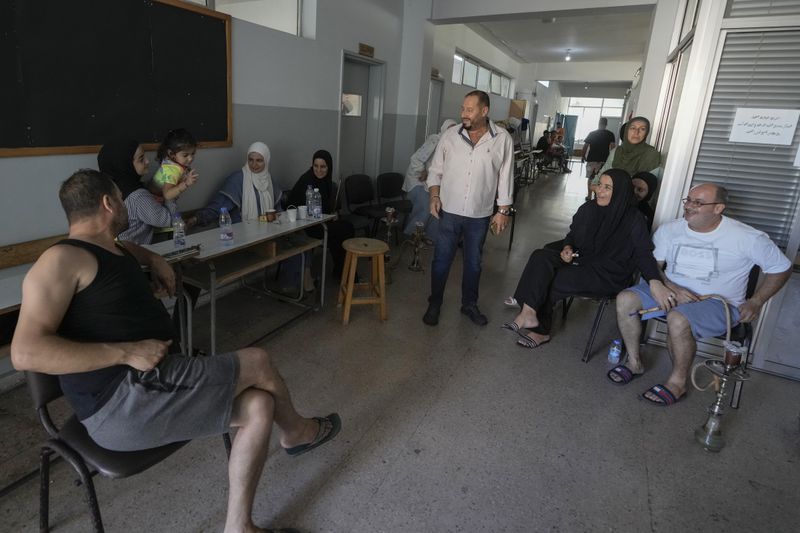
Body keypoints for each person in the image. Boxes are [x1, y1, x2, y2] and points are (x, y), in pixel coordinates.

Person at [10, 169, 341, 533]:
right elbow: (25, 353)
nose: (126, 206)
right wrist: (125, 353)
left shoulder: (113, 247)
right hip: (123, 402)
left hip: (156, 384)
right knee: (258, 361)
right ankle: (297, 432)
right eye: (121, 199)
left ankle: (238, 527)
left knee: (260, 406)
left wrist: (154, 260)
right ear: (108, 203)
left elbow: (130, 249)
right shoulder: (60, 260)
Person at [612, 183, 791, 406]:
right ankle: (634, 361)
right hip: (671, 289)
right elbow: (654, 265)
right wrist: (669, 286)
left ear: (718, 208)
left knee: (678, 319)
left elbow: (781, 267)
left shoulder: (747, 237)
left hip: (717, 302)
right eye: (688, 200)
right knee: (625, 299)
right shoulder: (671, 229)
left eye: (698, 202)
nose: (688, 206)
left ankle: (677, 383)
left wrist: (757, 301)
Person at [502, 169, 660, 348]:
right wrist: (568, 248)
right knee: (540, 256)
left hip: (609, 273)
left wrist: (654, 280)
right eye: (599, 184)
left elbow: (643, 253)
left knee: (553, 279)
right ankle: (528, 313)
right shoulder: (589, 208)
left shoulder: (634, 219)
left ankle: (541, 331)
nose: (599, 190)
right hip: (583, 260)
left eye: (607, 188)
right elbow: (573, 235)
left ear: (621, 192)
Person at [423, 90, 514, 327]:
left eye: (470, 109)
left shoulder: (502, 139)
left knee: (474, 262)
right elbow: (435, 170)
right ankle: (435, 303)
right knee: (441, 260)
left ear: (484, 111)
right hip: (449, 211)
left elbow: (506, 176)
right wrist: (434, 195)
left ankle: (469, 305)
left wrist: (503, 210)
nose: (464, 113)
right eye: (463, 108)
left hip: (480, 214)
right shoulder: (450, 136)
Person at [286, 149, 355, 280]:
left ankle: (343, 272)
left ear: (329, 167)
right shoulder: (307, 180)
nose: (318, 170)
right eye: (315, 166)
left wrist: (332, 213)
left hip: (321, 222)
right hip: (307, 226)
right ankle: (344, 273)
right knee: (346, 230)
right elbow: (295, 207)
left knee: (342, 233)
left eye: (323, 166)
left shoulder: (326, 182)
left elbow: (325, 208)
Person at [97, 138, 176, 245]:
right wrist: (171, 191)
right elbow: (167, 220)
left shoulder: (109, 189)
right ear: (125, 165)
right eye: (141, 159)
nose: (147, 161)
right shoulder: (138, 196)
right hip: (135, 255)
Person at [195, 142, 282, 225]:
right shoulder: (237, 179)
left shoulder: (269, 180)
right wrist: (196, 219)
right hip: (242, 233)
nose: (254, 165)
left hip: (268, 232)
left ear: (266, 161)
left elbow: (277, 210)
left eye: (259, 160)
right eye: (251, 160)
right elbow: (219, 205)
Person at [402, 119, 458, 240]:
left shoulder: (451, 146)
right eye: (449, 129)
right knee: (426, 204)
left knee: (438, 205)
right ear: (444, 129)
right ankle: (411, 234)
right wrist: (422, 171)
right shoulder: (435, 139)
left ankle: (429, 236)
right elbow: (416, 159)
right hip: (417, 180)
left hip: (429, 182)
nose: (451, 132)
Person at [151, 128, 200, 202]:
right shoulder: (172, 170)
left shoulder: (172, 161)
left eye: (193, 153)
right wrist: (186, 183)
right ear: (171, 154)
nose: (190, 158)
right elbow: (167, 195)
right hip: (155, 201)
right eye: (185, 155)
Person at [581, 118, 616, 200]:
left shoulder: (592, 133)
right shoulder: (610, 134)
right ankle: (597, 196)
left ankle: (589, 196)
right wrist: (611, 160)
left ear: (598, 123)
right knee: (601, 179)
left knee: (590, 178)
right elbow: (612, 147)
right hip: (604, 160)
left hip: (592, 159)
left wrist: (583, 156)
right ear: (606, 124)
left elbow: (585, 146)